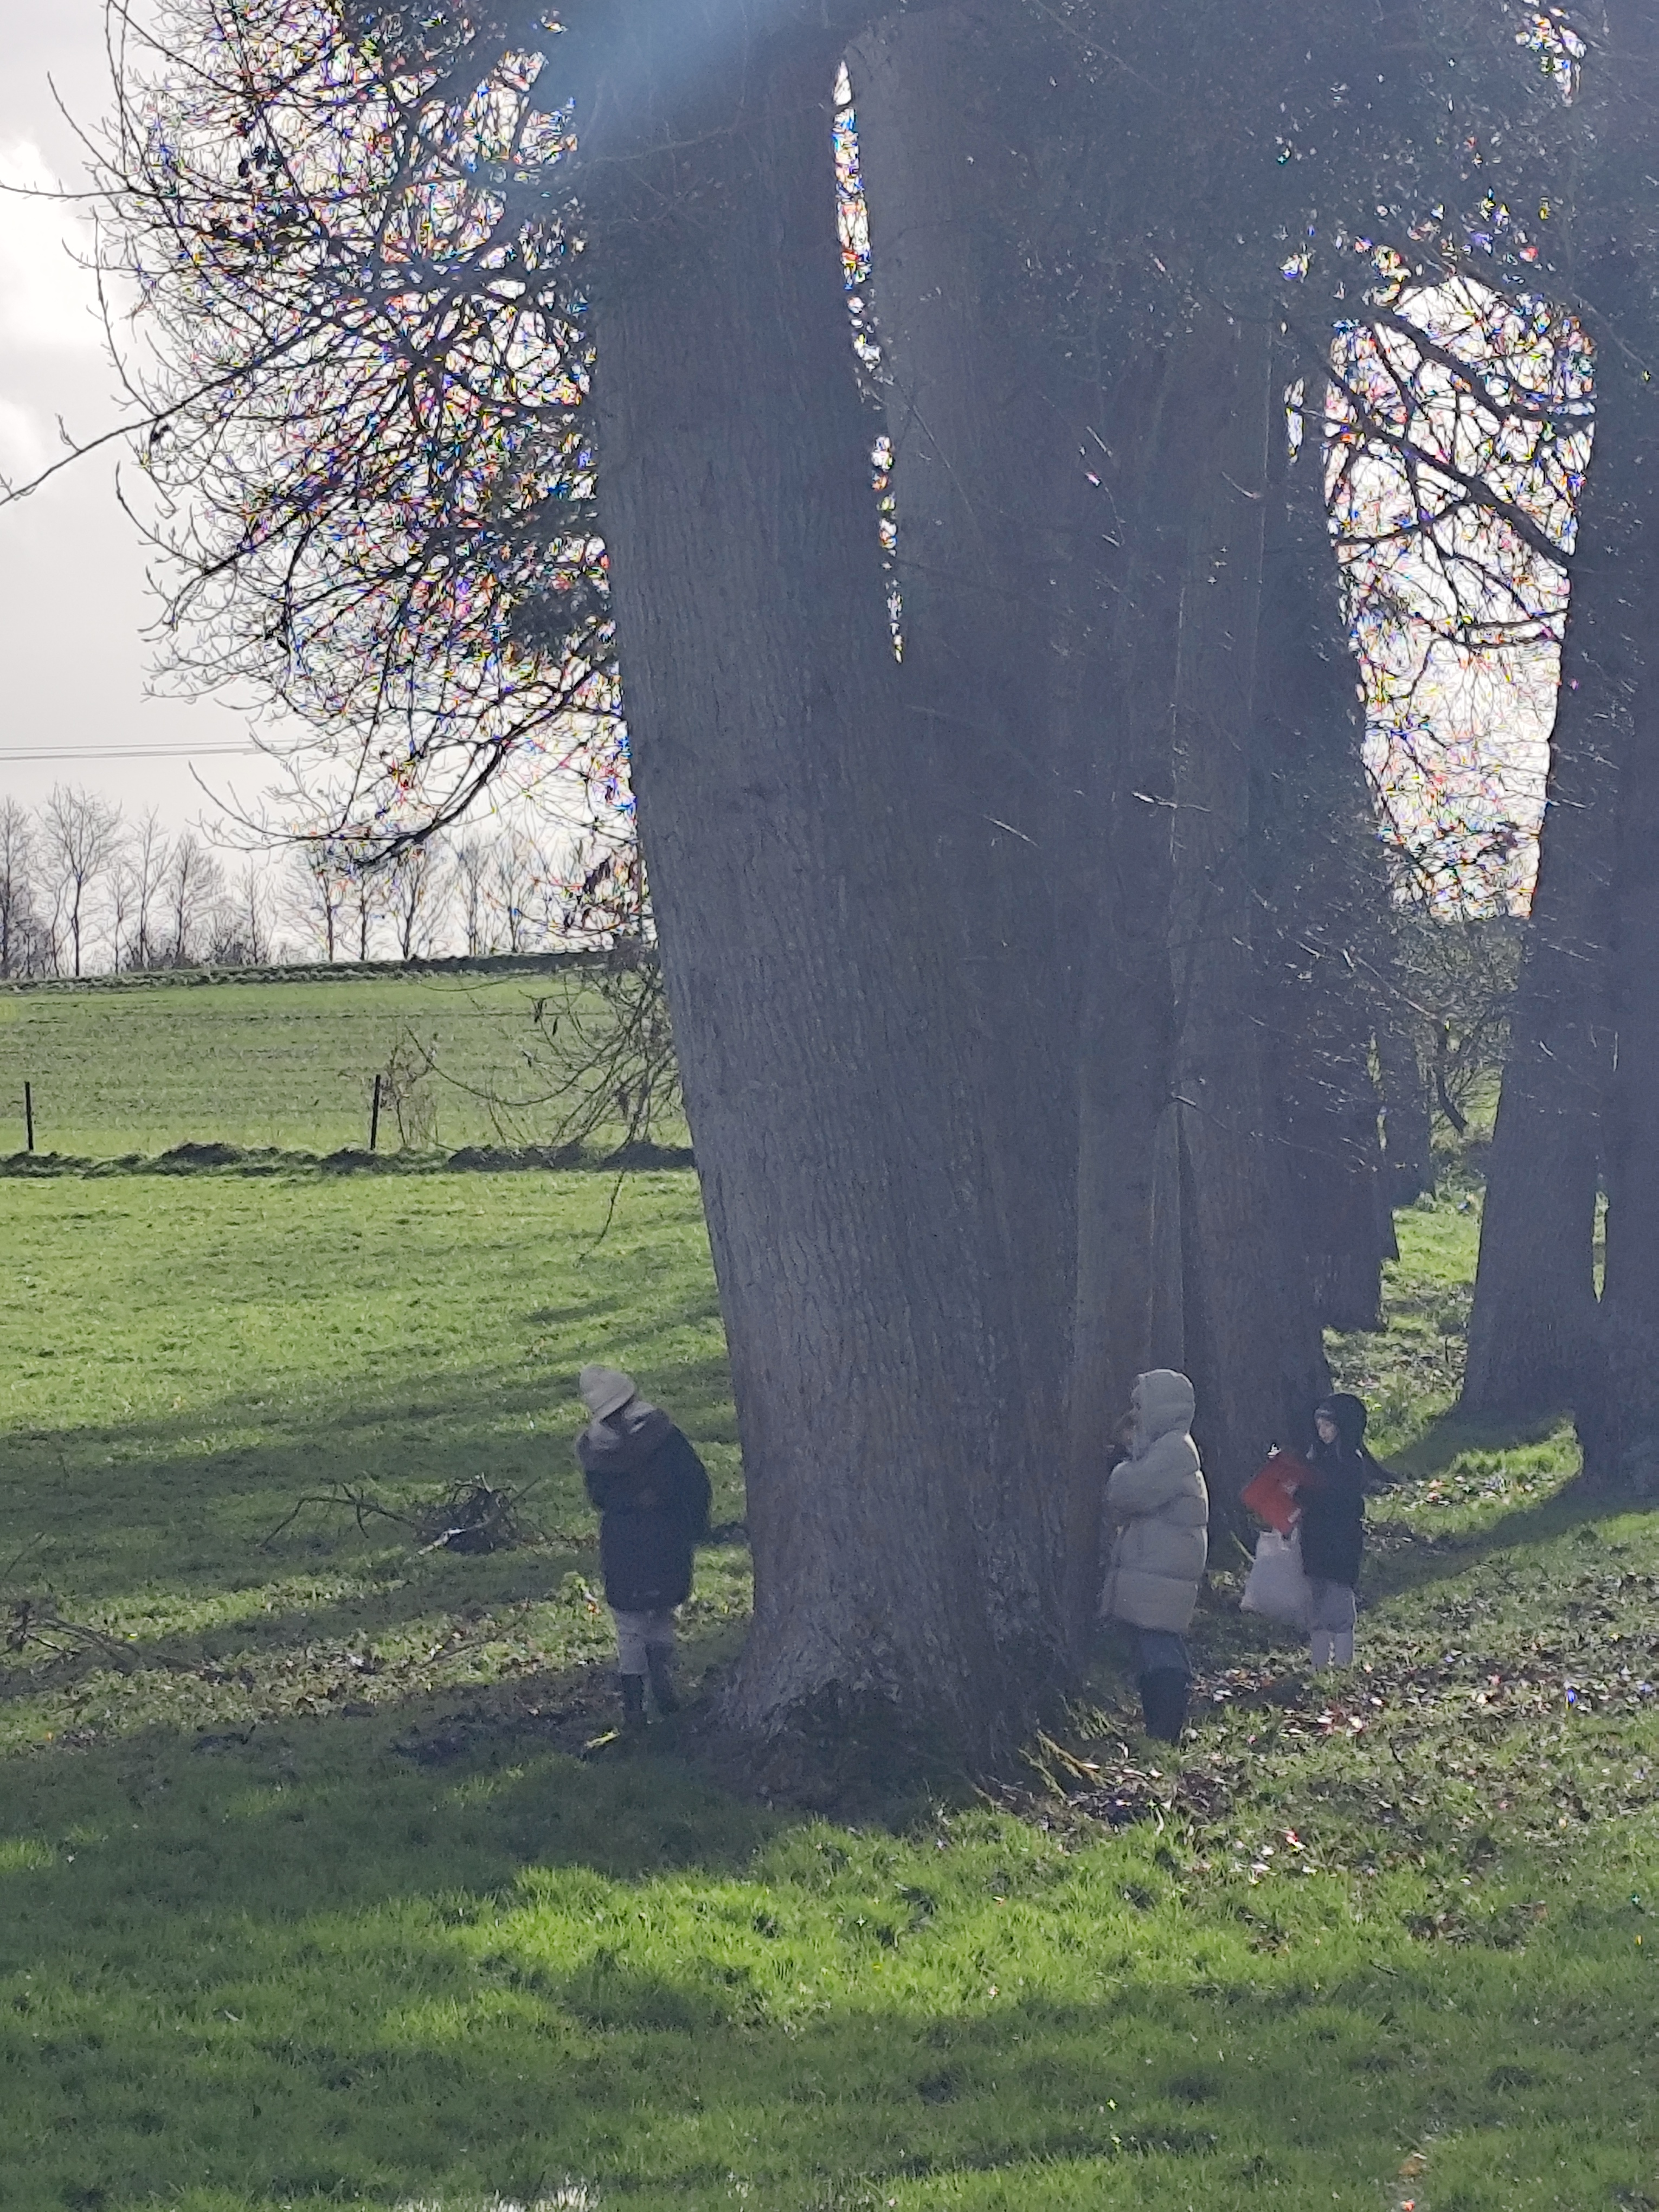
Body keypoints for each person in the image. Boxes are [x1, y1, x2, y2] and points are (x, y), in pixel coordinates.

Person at [575, 1364, 711, 1731]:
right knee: (662, 1612)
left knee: (630, 1625)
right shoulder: (664, 1437)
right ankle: (664, 1686)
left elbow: (598, 1496)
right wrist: (696, 1525)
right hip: (666, 1538)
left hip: (623, 1543)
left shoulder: (597, 1452)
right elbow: (694, 1481)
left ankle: (634, 1706)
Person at [1099, 1368, 1209, 1744]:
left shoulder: (1173, 1450)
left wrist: (1118, 1467)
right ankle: (1160, 1728)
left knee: (1159, 1645)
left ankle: (1166, 1729)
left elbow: (1130, 1492)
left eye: (1140, 1405)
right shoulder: (1165, 1449)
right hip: (1158, 1565)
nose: (1135, 1413)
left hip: (1163, 1566)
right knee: (1150, 1646)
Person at [1298, 1391, 1377, 1670]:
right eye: (1319, 1426)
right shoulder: (1316, 1458)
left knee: (1340, 1602)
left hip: (1341, 1543)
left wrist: (1311, 1490)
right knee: (1317, 1602)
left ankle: (1344, 1663)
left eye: (1328, 1426)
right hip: (1315, 1541)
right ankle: (1319, 1663)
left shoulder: (1350, 1463)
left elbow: (1340, 1499)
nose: (1323, 1432)